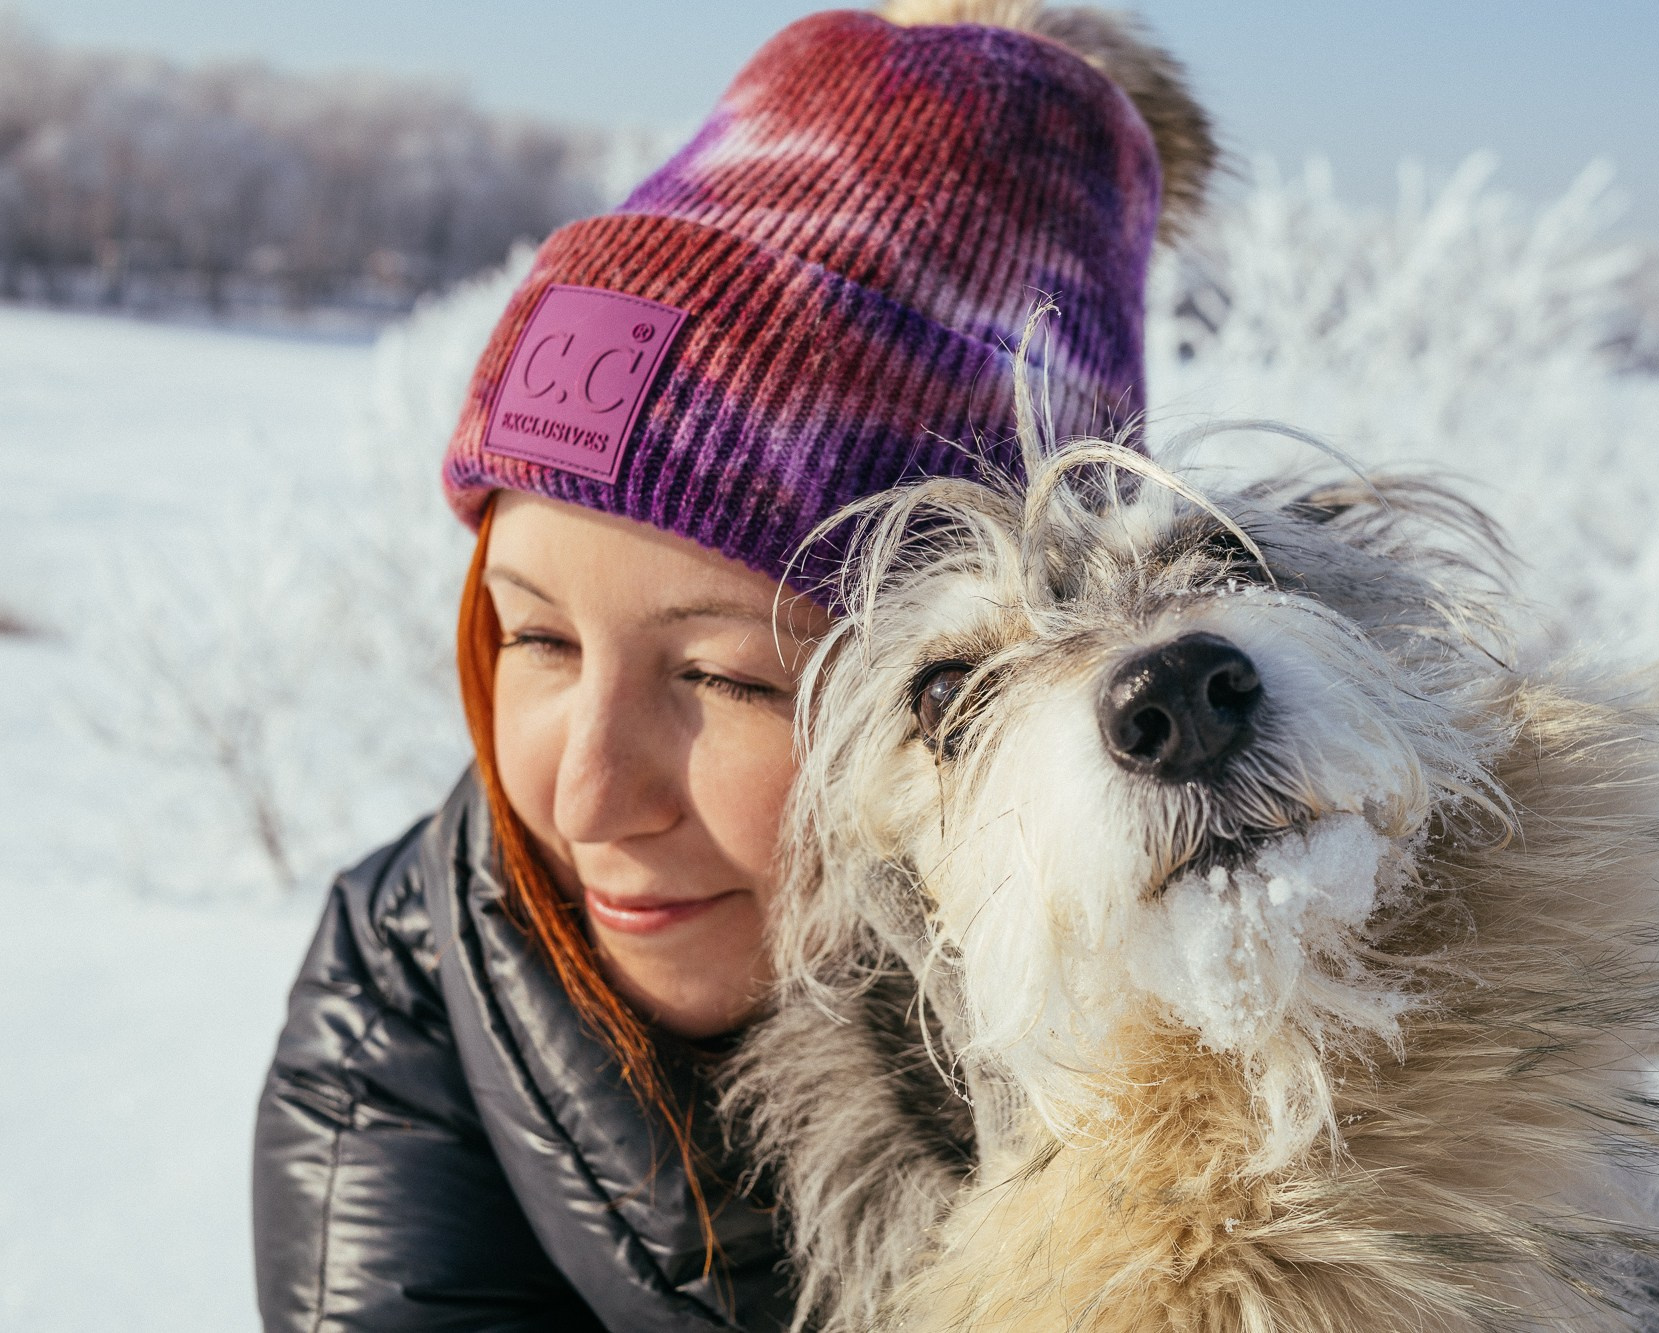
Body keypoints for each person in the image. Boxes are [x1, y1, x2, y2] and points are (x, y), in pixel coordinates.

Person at [250, 4, 1214, 1329]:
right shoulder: (406, 999)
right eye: (538, 635)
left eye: (728, 677)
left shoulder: (1312, 1044)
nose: (587, 796)